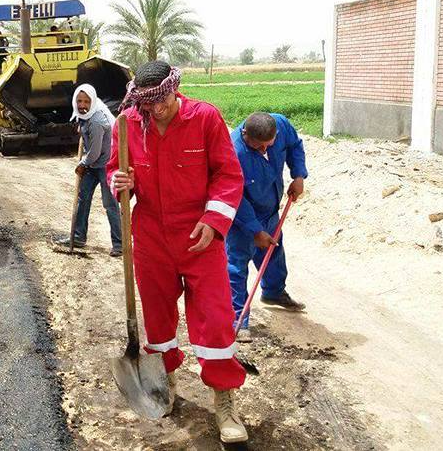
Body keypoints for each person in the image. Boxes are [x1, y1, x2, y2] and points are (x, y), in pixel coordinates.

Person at [108, 61, 248, 443]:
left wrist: (214, 220)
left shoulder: (205, 118)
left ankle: (224, 401)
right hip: (151, 236)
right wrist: (121, 182)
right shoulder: (127, 125)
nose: (158, 110)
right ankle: (162, 381)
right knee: (156, 317)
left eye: (164, 101)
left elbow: (228, 174)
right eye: (150, 105)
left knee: (215, 318)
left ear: (174, 90)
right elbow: (114, 172)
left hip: (200, 236)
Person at [226, 112, 308, 342]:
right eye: (258, 147)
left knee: (273, 253)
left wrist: (299, 175)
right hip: (242, 218)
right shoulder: (233, 151)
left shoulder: (279, 125)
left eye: (268, 146)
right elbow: (235, 196)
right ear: (245, 135)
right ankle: (238, 320)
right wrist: (254, 230)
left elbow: (294, 146)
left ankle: (273, 292)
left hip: (270, 210)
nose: (264, 150)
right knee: (236, 266)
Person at [54, 84, 122, 256]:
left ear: (92, 101)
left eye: (86, 101)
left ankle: (119, 244)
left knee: (110, 204)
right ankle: (78, 237)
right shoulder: (85, 114)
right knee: (82, 199)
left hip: (106, 164)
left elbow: (95, 152)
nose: (82, 105)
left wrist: (82, 163)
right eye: (79, 101)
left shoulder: (98, 120)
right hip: (93, 165)